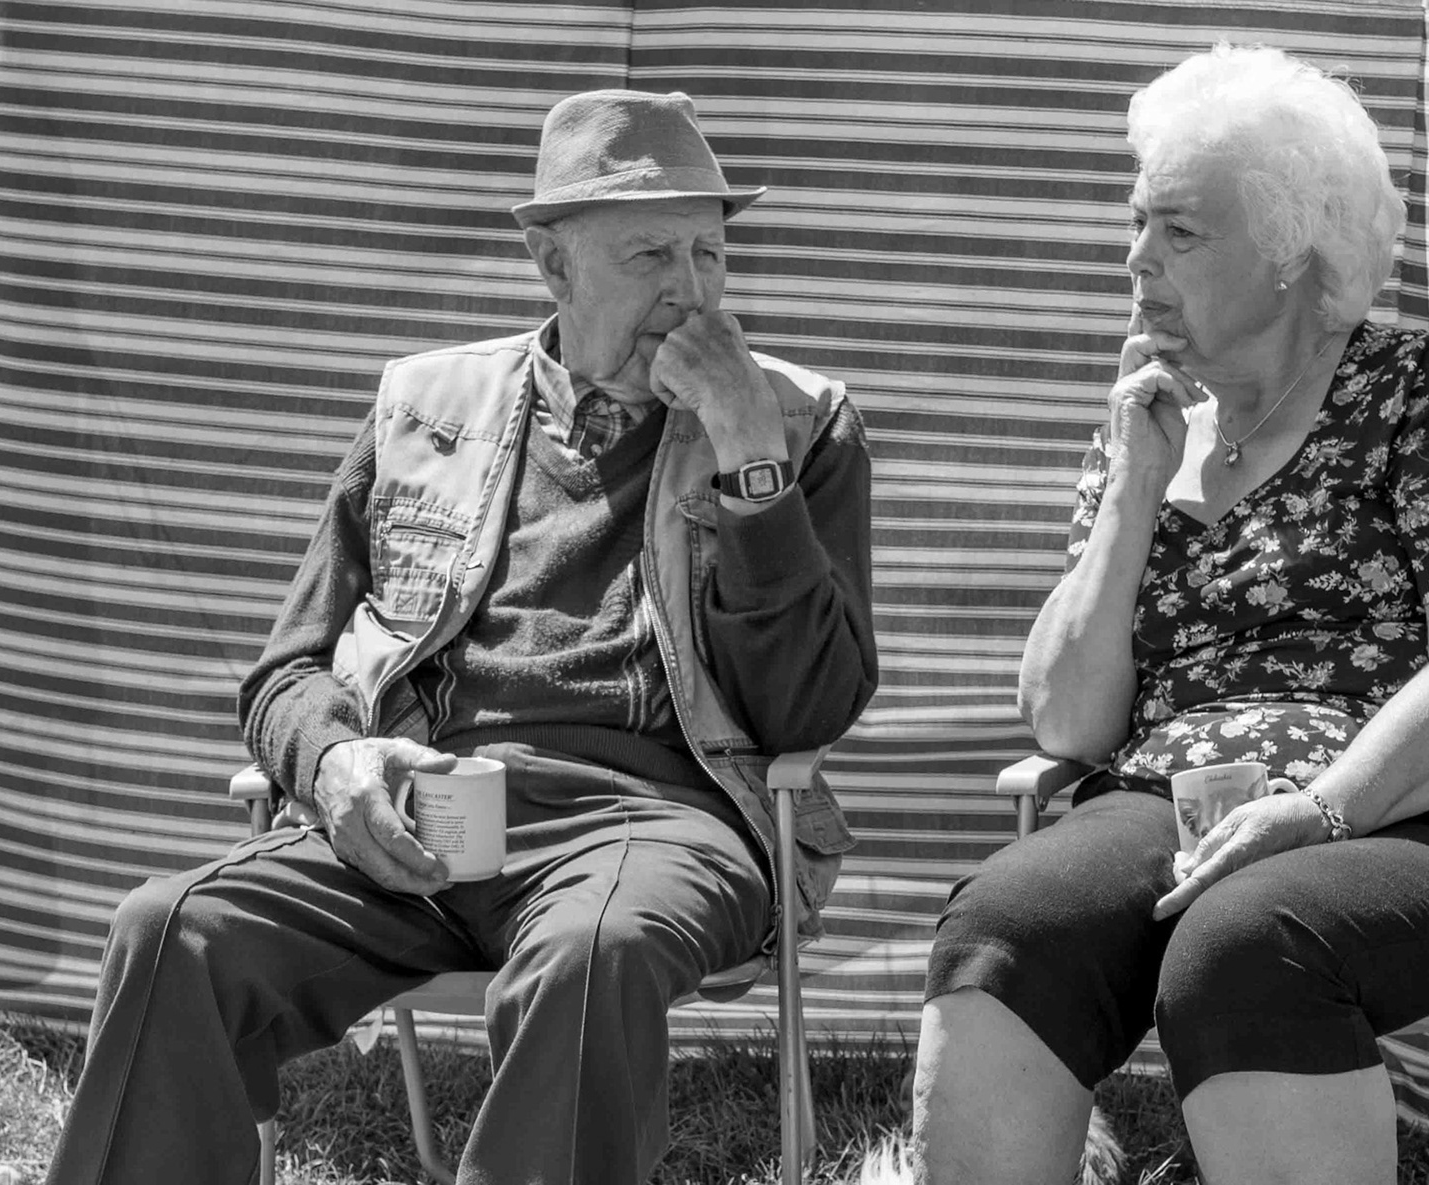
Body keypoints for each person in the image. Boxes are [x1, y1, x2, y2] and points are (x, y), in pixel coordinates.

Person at [46, 89, 876, 1185]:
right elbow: (286, 669)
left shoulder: (799, 423)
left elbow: (805, 712)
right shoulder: (426, 407)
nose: (691, 296)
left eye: (709, 255)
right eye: (649, 257)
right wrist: (334, 761)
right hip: (428, 809)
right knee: (172, 929)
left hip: (660, 818)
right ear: (551, 262)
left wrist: (750, 462)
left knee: (594, 954)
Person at [909, 44, 1429, 1185]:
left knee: (1248, 945)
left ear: (1288, 251)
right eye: (1135, 226)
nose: (1136, 263)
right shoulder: (1147, 424)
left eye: (1179, 232)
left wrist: (1320, 811)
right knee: (1006, 924)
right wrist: (1134, 485)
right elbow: (1069, 728)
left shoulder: (1415, 385)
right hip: (1180, 804)